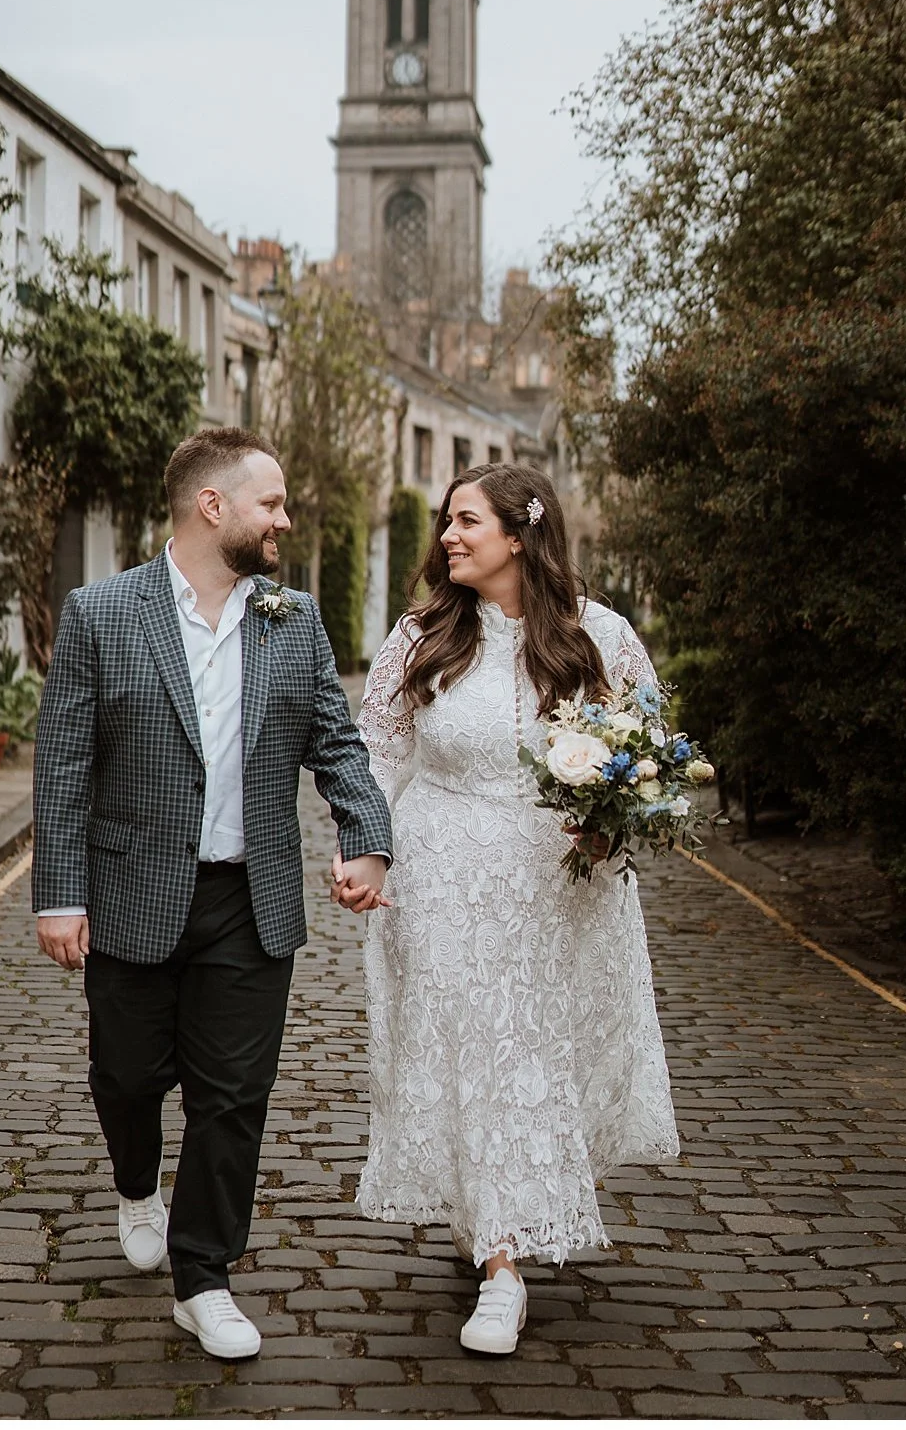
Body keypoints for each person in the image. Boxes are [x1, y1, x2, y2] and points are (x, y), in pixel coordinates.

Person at [32, 428, 392, 1360]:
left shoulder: (292, 618)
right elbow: (65, 765)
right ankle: (135, 1182)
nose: (284, 518)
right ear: (212, 506)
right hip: (131, 893)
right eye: (270, 502)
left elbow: (337, 745)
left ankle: (205, 1276)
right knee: (126, 1075)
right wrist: (58, 893)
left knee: (233, 1096)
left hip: (249, 897)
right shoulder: (100, 613)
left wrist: (369, 842)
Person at [344, 462, 678, 1356]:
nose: (448, 536)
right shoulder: (419, 637)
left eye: (466, 521)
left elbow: (643, 754)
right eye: (448, 521)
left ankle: (502, 1211)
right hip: (443, 875)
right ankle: (501, 1265)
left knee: (530, 1052)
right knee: (465, 1049)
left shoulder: (597, 635)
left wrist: (611, 826)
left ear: (521, 534)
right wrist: (365, 851)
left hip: (553, 886)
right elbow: (374, 757)